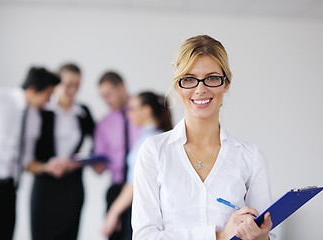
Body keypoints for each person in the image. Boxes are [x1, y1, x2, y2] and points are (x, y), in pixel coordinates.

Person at [132, 35, 275, 240]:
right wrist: (218, 236)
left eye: (212, 78)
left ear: (226, 84)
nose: (200, 89)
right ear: (178, 86)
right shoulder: (154, 151)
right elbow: (144, 236)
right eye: (189, 79)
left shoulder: (251, 158)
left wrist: (261, 237)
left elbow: (267, 233)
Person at [0, 67, 60, 240]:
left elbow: (27, 162)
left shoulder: (34, 119)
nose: (49, 100)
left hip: (8, 190)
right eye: (48, 94)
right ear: (32, 90)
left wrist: (48, 167)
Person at [26, 63, 95, 240]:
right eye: (68, 84)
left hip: (72, 186)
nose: (73, 89)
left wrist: (78, 161)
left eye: (77, 85)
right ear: (57, 84)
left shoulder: (83, 112)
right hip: (45, 184)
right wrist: (47, 166)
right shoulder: (42, 111)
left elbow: (97, 145)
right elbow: (29, 150)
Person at [102, 91, 173, 238]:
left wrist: (113, 213)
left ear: (146, 111)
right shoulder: (159, 137)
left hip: (145, 212)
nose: (129, 114)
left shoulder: (148, 142)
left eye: (133, 109)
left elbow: (133, 184)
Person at [94, 71, 141, 240]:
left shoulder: (142, 113)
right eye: (102, 97)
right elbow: (100, 162)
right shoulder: (103, 124)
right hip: (116, 188)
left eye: (108, 94)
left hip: (141, 189)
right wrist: (96, 165)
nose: (106, 101)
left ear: (121, 87)